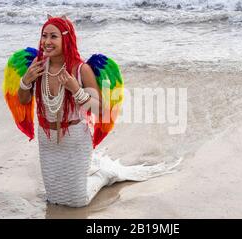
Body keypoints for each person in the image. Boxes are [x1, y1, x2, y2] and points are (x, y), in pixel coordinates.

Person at [17, 15, 178, 207]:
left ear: (66, 39)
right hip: (47, 139)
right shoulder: (38, 67)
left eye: (53, 37)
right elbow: (24, 99)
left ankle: (103, 174)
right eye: (44, 36)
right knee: (55, 199)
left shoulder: (81, 69)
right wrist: (26, 81)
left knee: (77, 201)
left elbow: (100, 110)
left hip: (75, 138)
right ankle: (94, 172)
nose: (47, 42)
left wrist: (75, 89)